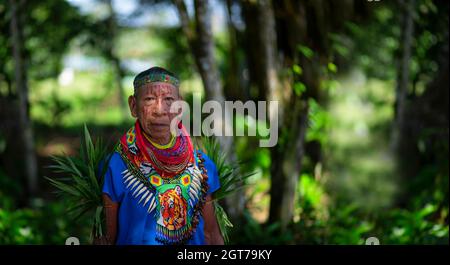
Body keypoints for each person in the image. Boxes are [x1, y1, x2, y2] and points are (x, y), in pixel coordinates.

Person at [98, 66, 224, 245]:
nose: (160, 110)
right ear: (134, 106)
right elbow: (107, 239)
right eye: (149, 99)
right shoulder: (118, 165)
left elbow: (211, 234)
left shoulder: (202, 166)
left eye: (169, 100)